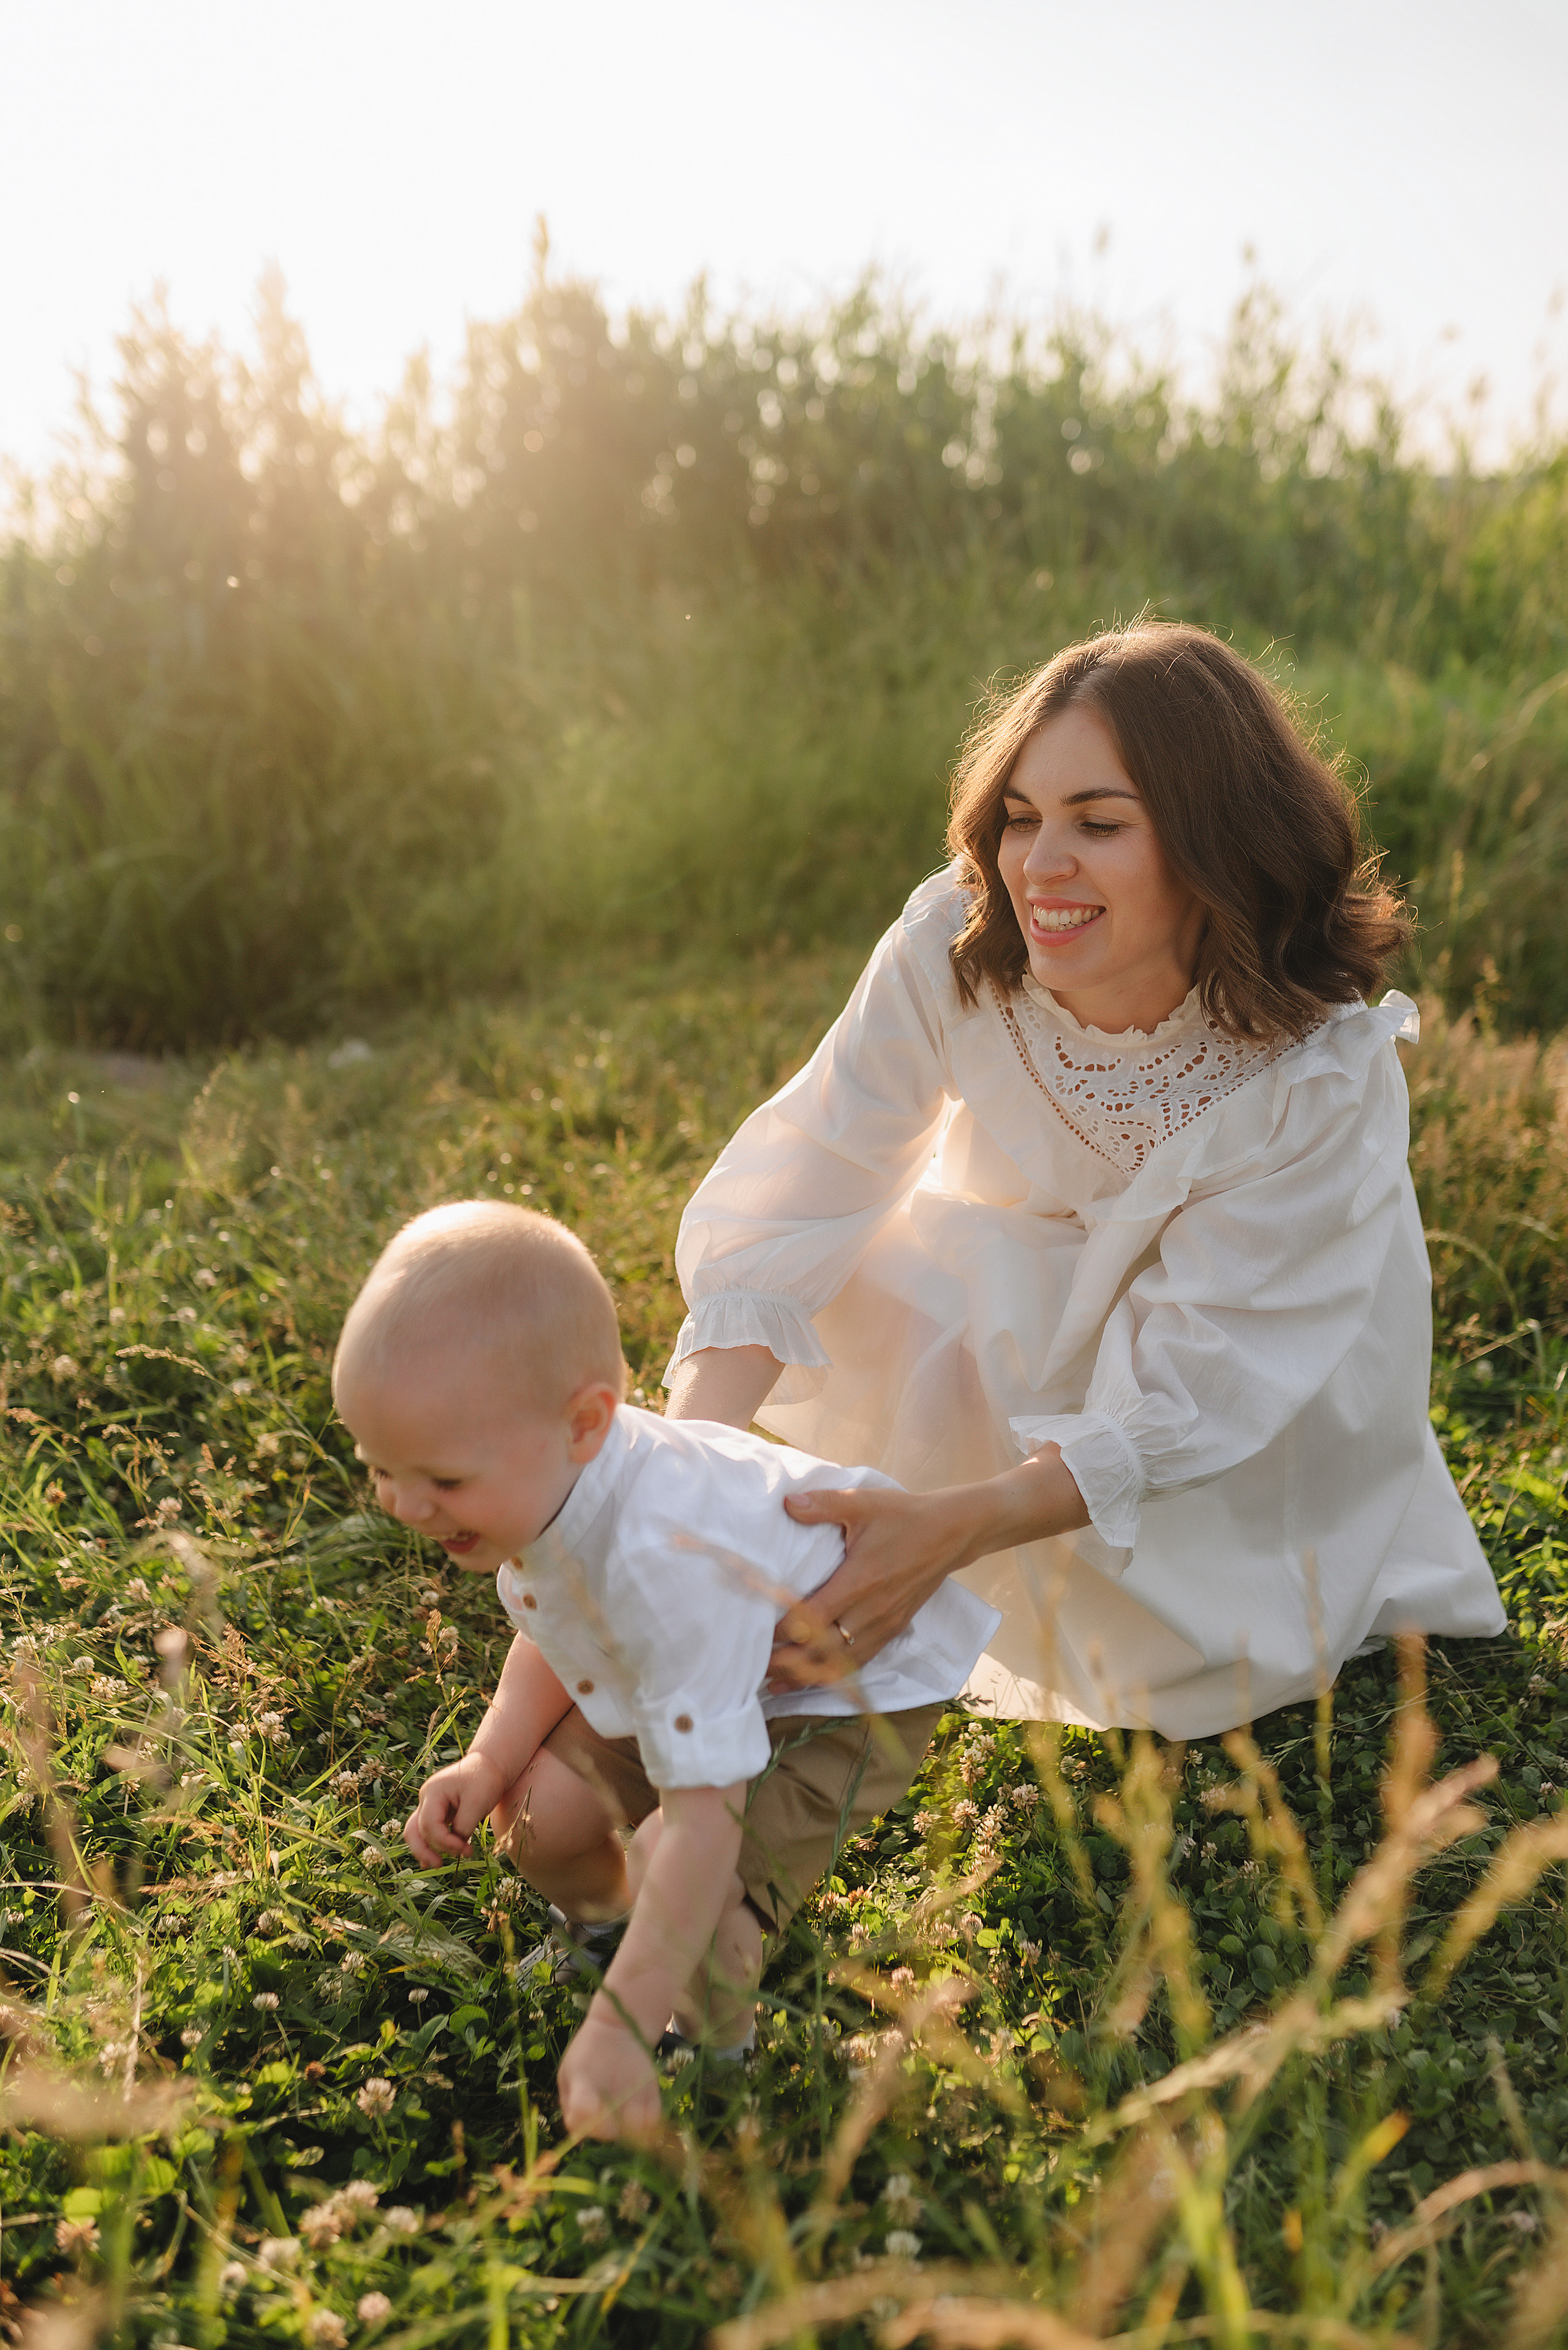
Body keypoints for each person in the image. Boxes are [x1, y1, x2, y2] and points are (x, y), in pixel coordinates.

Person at [664, 622, 1506, 1737]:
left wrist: (951, 1524)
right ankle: (916, 1550)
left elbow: (1205, 1383)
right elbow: (796, 1197)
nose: (1038, 866)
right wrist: (676, 1480)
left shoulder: (1318, 1073)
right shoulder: (954, 938)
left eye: (1098, 823)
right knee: (880, 1252)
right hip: (1026, 1331)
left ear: (1215, 839)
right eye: (1021, 817)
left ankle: (980, 1562)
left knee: (1192, 1635)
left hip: (1246, 1413)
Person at [331, 1202, 999, 2139]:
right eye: (380, 1469)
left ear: (585, 1423)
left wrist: (621, 2027)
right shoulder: (545, 1480)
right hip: (715, 1659)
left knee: (682, 1877)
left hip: (844, 1684)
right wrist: (487, 1762)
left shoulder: (663, 1562)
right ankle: (609, 1934)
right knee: (544, 1813)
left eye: (439, 1479)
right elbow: (559, 1627)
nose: (405, 1504)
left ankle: (714, 2053)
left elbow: (702, 1828)